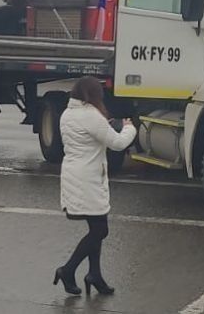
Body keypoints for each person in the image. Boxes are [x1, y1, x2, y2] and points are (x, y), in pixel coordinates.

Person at [53, 76, 136, 296]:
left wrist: (104, 126)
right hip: (88, 179)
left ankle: (95, 275)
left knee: (95, 227)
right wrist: (129, 128)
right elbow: (118, 143)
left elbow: (88, 135)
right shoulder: (90, 115)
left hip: (75, 175)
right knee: (100, 230)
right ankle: (68, 270)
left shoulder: (67, 114)